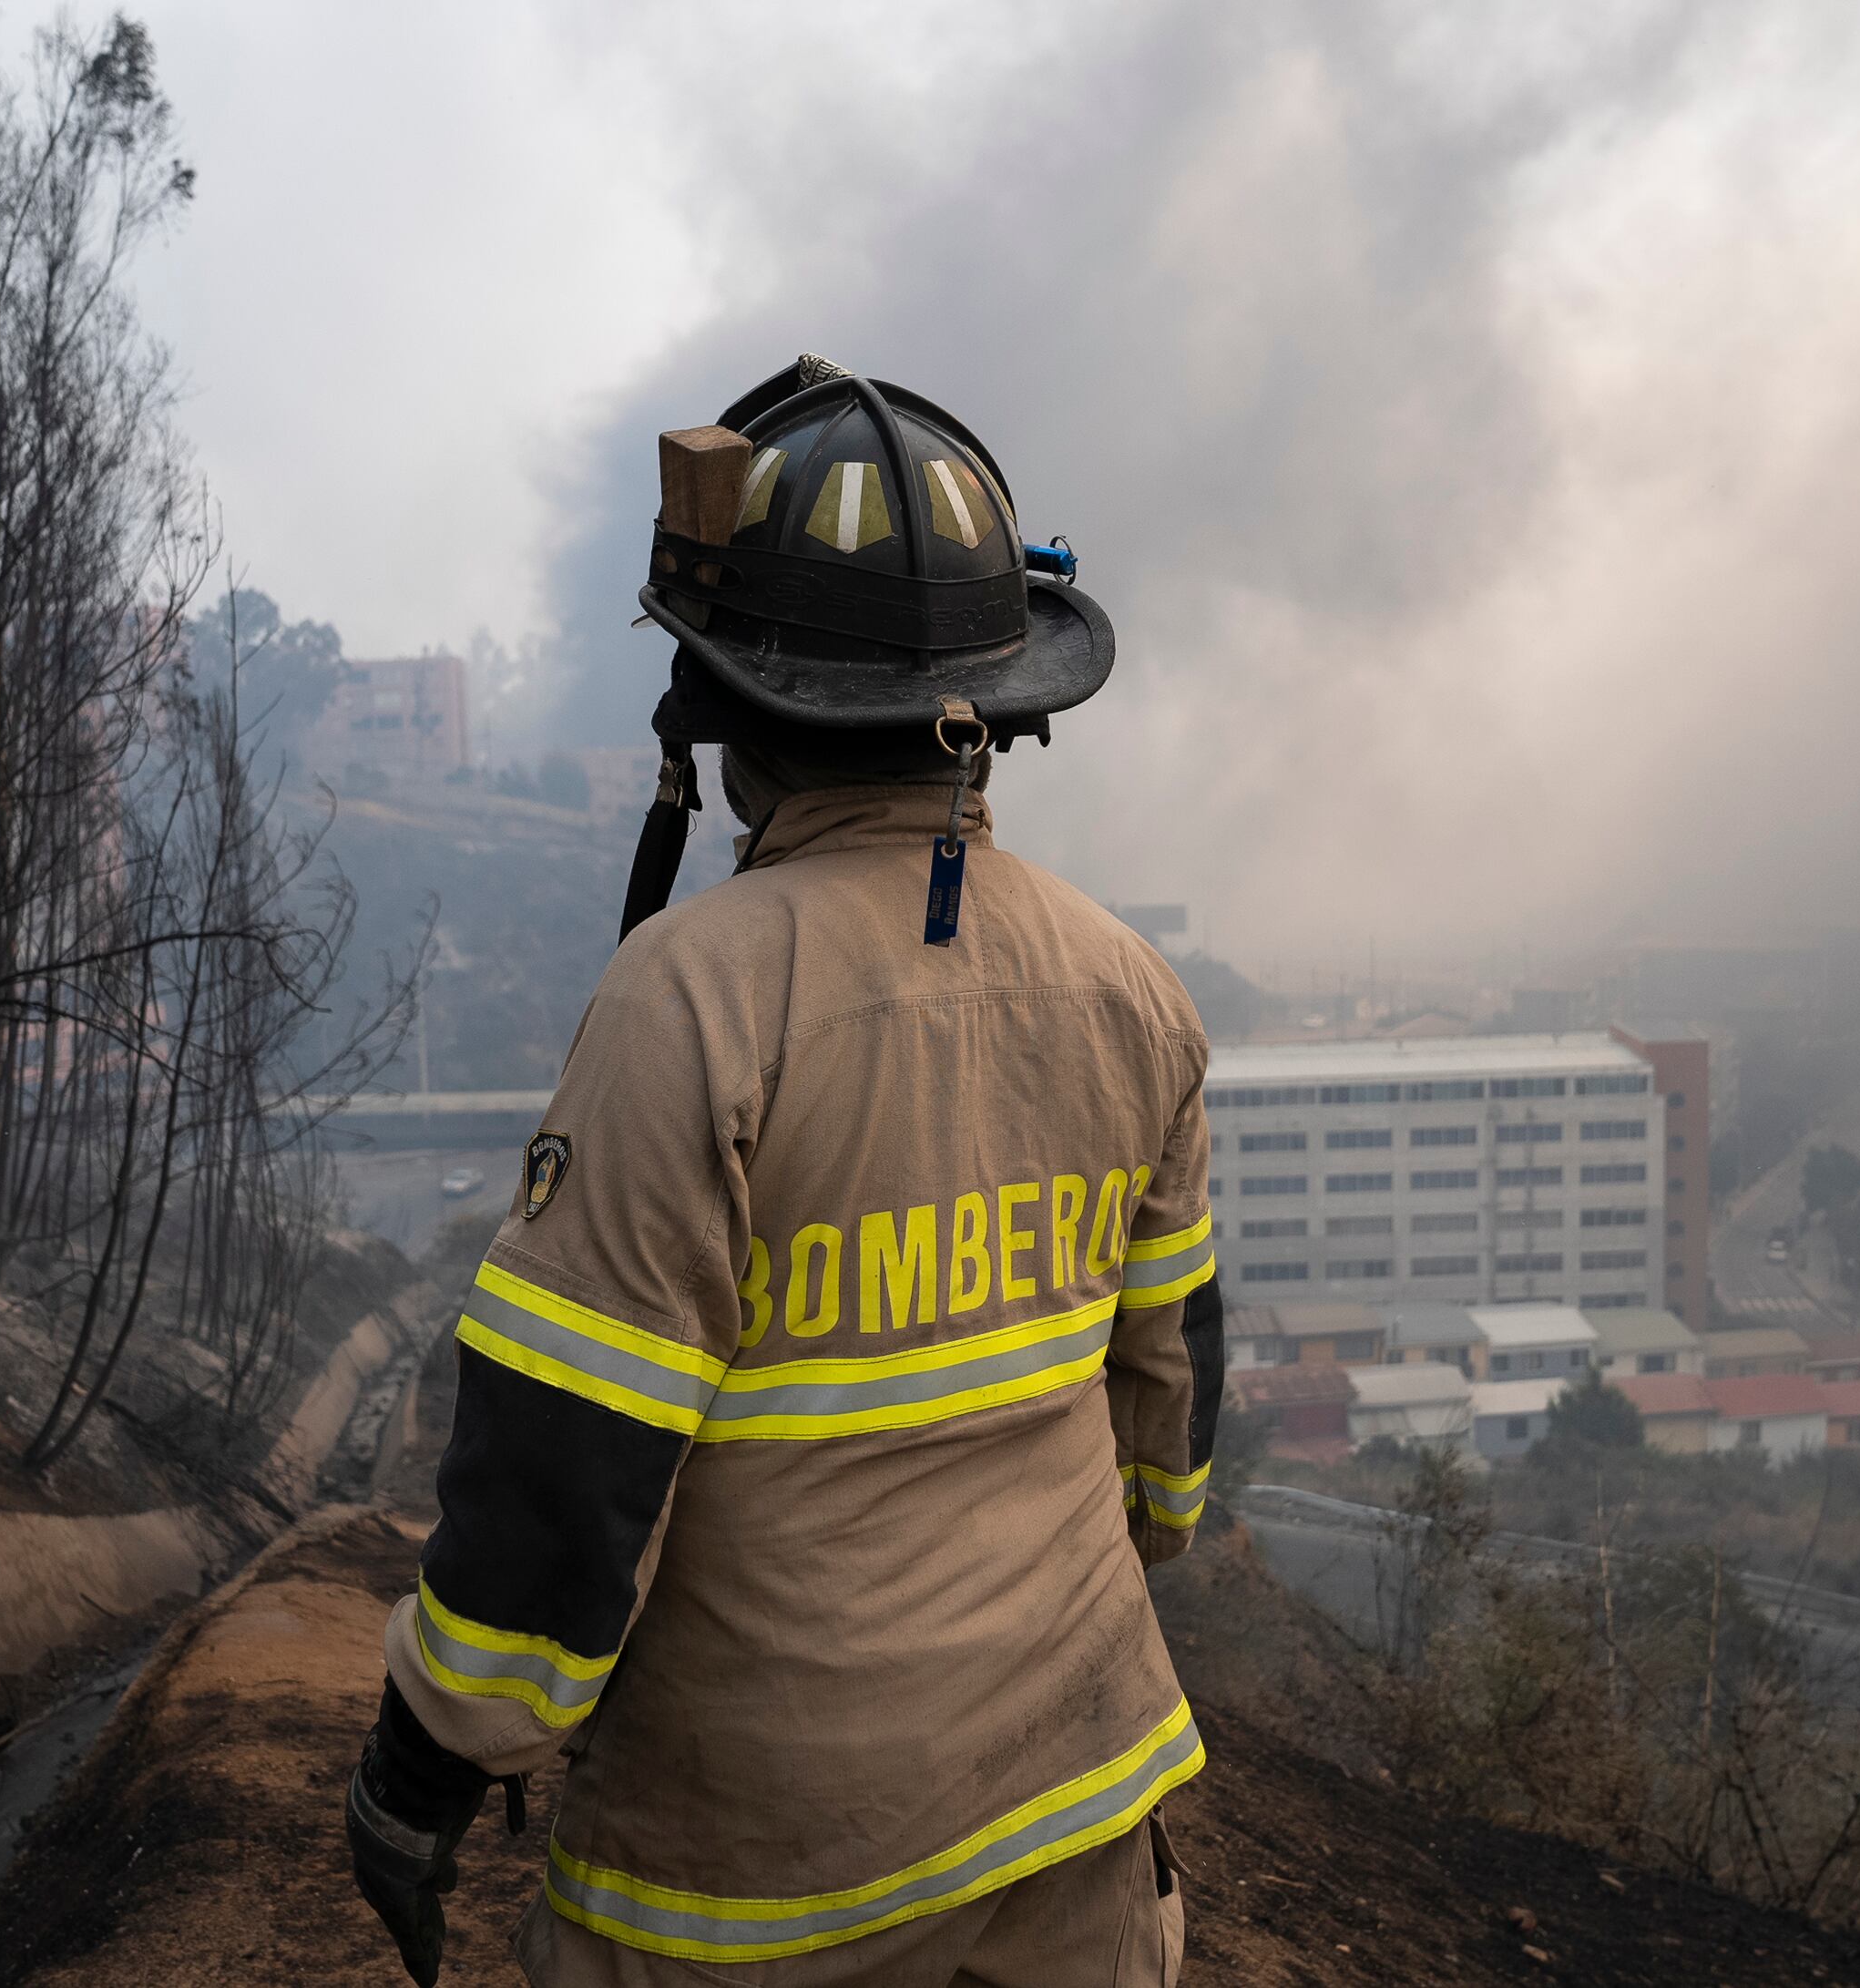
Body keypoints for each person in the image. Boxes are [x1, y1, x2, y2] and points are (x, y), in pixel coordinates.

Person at [344, 354, 1223, 1988]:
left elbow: (563, 1468)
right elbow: (1162, 1443)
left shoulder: (692, 1002)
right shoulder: (1131, 989)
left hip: (753, 1888)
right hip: (1078, 1816)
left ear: (724, 713)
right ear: (998, 702)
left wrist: (423, 1765)